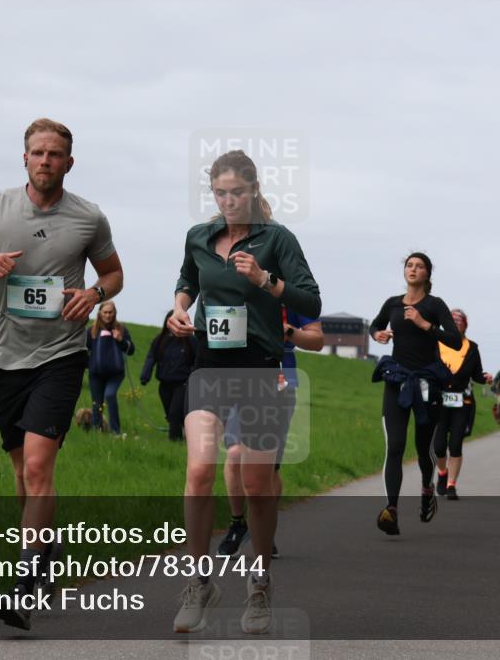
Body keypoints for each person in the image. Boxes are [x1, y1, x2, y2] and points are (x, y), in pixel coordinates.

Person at [0, 118, 123, 630]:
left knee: (39, 467)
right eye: (38, 153)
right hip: (2, 360)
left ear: (69, 162)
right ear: (24, 159)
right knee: (22, 474)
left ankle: (25, 584)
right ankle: (47, 545)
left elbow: (113, 273)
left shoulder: (88, 217)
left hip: (61, 355)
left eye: (55, 154)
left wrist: (94, 294)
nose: (46, 161)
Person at [168, 150, 321, 635]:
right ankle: (198, 582)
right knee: (198, 470)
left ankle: (259, 585)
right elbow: (187, 279)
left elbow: (310, 299)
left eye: (237, 192)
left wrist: (264, 280)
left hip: (261, 367)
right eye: (220, 193)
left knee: (256, 486)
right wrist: (179, 308)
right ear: (212, 194)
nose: (229, 201)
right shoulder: (199, 237)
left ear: (254, 191)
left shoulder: (278, 239)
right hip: (210, 364)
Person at [218, 308, 324, 558]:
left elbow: (317, 340)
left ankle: (264, 528)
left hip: (281, 382)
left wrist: (288, 331)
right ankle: (237, 523)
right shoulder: (239, 285)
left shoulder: (292, 294)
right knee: (233, 453)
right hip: (240, 377)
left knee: (269, 468)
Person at [369, 253, 462, 535]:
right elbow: (375, 325)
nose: (413, 269)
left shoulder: (435, 305)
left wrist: (425, 325)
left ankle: (426, 489)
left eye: (419, 266)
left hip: (427, 383)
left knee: (424, 449)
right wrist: (378, 335)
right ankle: (391, 509)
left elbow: (456, 341)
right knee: (395, 446)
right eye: (409, 265)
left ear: (427, 274)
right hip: (397, 380)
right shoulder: (393, 304)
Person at [433, 309, 491, 501]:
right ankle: (442, 472)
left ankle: (451, 485)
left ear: (465, 324)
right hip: (439, 401)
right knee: (439, 445)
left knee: (455, 444)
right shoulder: (436, 343)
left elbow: (477, 374)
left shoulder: (472, 348)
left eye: (460, 319)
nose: (456, 321)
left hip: (462, 401)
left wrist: (485, 378)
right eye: (452, 319)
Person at [140, 310, 197, 440]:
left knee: (174, 414)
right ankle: (185, 435)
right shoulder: (159, 340)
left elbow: (198, 360)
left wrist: (193, 377)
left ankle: (174, 442)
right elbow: (151, 358)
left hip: (183, 384)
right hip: (164, 386)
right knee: (171, 416)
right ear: (168, 322)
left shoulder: (191, 341)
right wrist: (145, 376)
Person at [86, 301, 134, 435]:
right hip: (96, 374)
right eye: (105, 312)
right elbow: (84, 349)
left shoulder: (121, 329)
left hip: (115, 374)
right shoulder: (92, 330)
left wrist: (121, 340)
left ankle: (116, 432)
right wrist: (89, 364)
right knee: (97, 403)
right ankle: (97, 431)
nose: (107, 315)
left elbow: (131, 350)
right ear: (100, 313)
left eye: (110, 312)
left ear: (114, 313)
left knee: (110, 395)